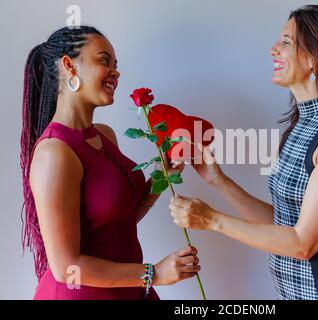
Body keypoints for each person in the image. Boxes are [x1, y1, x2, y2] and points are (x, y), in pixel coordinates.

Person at [169, 5, 318, 300]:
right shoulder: (302, 123)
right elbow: (283, 223)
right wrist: (218, 180)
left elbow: (303, 243)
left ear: (316, 59)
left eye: (286, 42)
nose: (272, 50)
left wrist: (212, 220)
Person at [20, 26, 200, 300]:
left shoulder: (105, 135)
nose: (115, 72)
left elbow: (115, 222)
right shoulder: (54, 153)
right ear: (70, 66)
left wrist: (160, 179)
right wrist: (154, 274)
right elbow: (67, 268)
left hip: (126, 290)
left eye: (116, 65)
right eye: (104, 61)